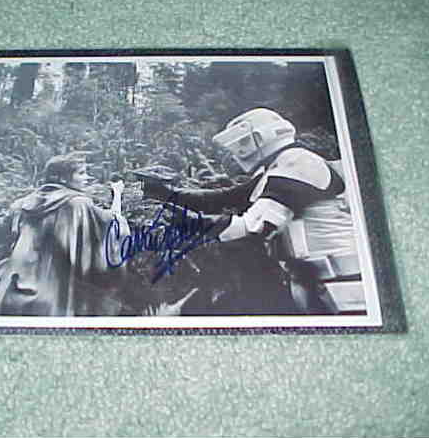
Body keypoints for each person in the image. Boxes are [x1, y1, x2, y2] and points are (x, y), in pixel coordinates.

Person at [144, 108, 365, 315]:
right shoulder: (280, 165)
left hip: (342, 282)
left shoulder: (299, 163)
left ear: (261, 137)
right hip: (316, 279)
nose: (237, 150)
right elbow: (224, 198)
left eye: (242, 142)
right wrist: (166, 194)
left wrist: (185, 222)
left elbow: (252, 228)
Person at [0, 152, 130, 316]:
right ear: (63, 178)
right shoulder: (78, 204)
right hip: (54, 292)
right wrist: (117, 194)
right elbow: (113, 226)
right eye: (81, 173)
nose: (87, 178)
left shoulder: (22, 203)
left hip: (9, 286)